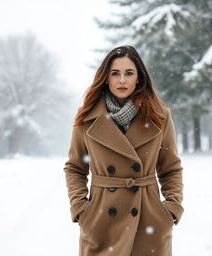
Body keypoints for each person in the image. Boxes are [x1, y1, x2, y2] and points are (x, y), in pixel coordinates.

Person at [63, 45, 184, 256]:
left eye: (129, 73)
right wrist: (81, 209)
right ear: (106, 78)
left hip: (149, 221)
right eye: (115, 73)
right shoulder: (86, 118)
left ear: (139, 78)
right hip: (101, 223)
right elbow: (75, 167)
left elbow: (170, 168)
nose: (122, 80)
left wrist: (171, 209)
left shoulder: (159, 116)